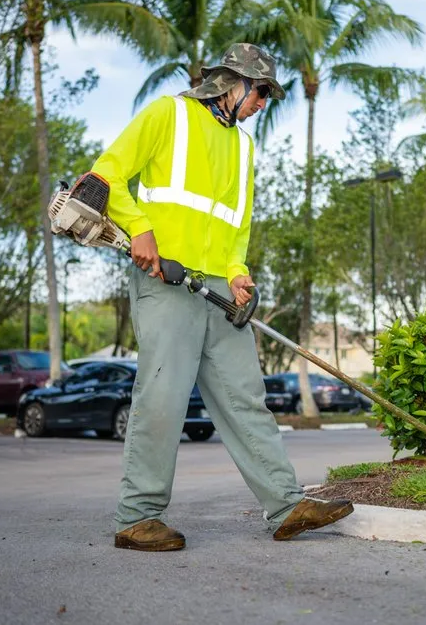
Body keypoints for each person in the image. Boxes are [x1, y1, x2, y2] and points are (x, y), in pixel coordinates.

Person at [89, 43, 353, 552]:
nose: (262, 104)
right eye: (260, 92)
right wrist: (139, 228)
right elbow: (106, 175)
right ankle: (137, 518)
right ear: (232, 83)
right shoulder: (168, 114)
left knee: (245, 397)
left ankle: (286, 504)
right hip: (165, 281)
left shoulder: (243, 147)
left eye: (268, 96)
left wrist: (237, 274)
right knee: (162, 397)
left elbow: (237, 227)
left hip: (217, 291)